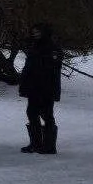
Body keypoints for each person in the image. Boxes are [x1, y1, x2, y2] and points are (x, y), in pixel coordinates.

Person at [18, 23, 62, 154]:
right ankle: (36, 143)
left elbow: (53, 69)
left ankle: (49, 146)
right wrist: (24, 84)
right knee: (31, 113)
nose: (35, 34)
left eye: (38, 32)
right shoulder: (33, 46)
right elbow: (28, 67)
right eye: (34, 32)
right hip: (33, 87)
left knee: (47, 115)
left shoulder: (52, 48)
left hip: (46, 87)